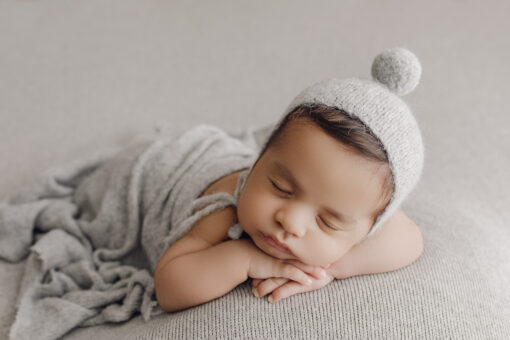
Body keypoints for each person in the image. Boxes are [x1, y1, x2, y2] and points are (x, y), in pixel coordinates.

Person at [154, 47, 425, 312]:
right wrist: (244, 258)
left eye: (327, 222)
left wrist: (328, 269)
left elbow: (410, 239)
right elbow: (169, 286)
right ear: (258, 161)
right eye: (280, 188)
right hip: (176, 166)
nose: (290, 222)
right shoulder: (224, 210)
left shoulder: (360, 207)